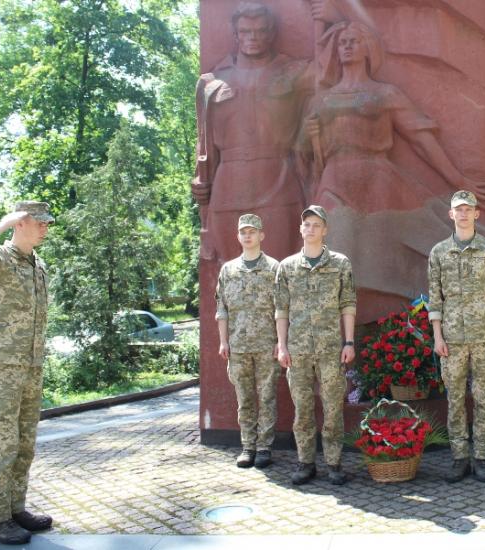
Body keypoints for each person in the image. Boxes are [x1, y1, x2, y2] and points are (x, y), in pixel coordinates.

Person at [300, 21, 485, 320]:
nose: (347, 46)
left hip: (377, 179)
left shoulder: (385, 93)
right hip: (334, 179)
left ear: (368, 47)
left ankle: (393, 328)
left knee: (390, 256)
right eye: (342, 42)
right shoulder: (321, 99)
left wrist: (459, 180)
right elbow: (305, 159)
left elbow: (421, 139)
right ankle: (342, 342)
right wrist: (308, 133)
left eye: (354, 40)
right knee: (330, 256)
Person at [192, 1, 318, 263]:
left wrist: (331, 14)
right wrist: (200, 179)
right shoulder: (210, 83)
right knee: (233, 272)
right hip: (228, 184)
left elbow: (332, 72)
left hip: (278, 180)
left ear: (271, 34)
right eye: (246, 32)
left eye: (260, 31)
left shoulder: (295, 72)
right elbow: (204, 143)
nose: (253, 38)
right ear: (236, 35)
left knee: (283, 268)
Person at [0, 202, 55, 545]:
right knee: (3, 442)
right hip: (4, 367)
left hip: (32, 366)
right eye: (39, 223)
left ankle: (15, 509)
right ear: (21, 223)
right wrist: (3, 222)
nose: (45, 228)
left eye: (46, 223)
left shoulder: (38, 264)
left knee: (25, 443)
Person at [427, 190, 485, 483]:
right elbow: (435, 299)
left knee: (483, 397)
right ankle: (460, 457)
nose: (463, 214)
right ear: (451, 215)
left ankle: (482, 457)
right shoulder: (438, 252)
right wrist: (437, 336)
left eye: (468, 209)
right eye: (458, 210)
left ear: (476, 214)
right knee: (455, 399)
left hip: (484, 337)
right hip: (451, 339)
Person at [274, 205, 356, 485]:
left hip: (331, 348)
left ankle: (334, 463)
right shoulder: (287, 267)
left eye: (315, 224)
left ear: (325, 230)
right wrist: (282, 346)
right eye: (306, 224)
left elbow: (348, 305)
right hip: (298, 351)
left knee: (333, 408)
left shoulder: (340, 263)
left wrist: (348, 341)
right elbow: (281, 310)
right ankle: (305, 462)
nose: (310, 229)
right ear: (301, 229)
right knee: (303, 410)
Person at [215, 214, 280, 469]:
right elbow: (222, 309)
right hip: (238, 346)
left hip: (267, 345)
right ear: (238, 236)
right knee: (245, 399)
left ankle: (264, 447)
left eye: (252, 231)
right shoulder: (228, 270)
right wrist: (223, 342)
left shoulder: (274, 269)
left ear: (262, 235)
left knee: (267, 398)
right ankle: (247, 446)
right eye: (243, 232)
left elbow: (282, 309)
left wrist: (280, 341)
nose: (248, 235)